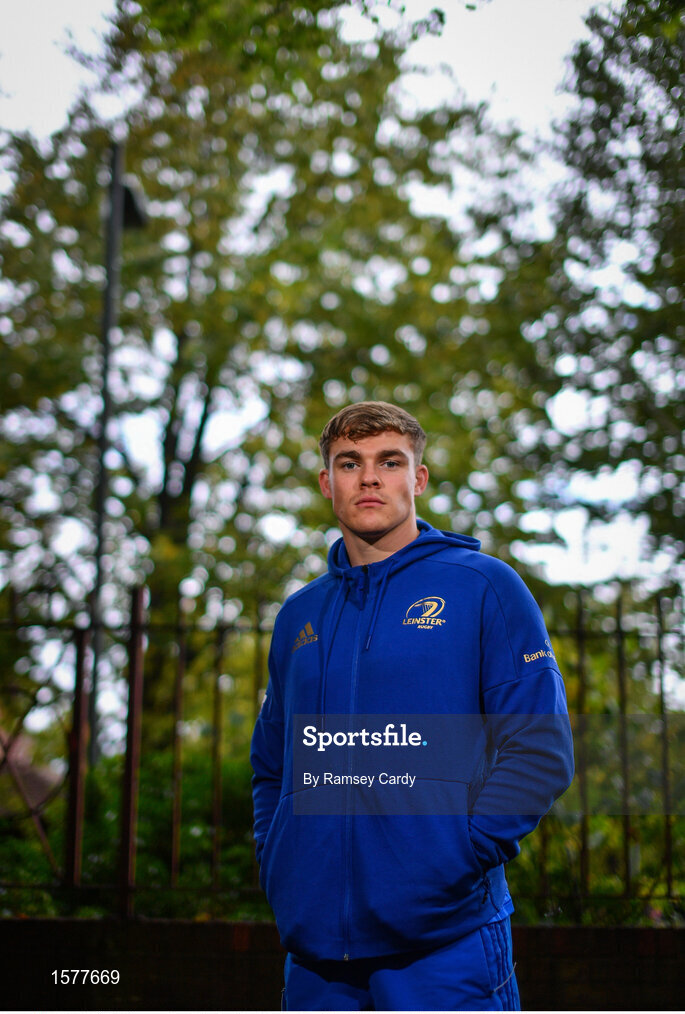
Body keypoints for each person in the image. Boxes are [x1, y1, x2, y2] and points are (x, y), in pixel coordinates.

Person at [251, 401, 574, 1011]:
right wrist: (279, 861)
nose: (369, 478)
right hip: (315, 957)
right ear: (327, 482)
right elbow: (272, 766)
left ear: (418, 478)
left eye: (390, 462)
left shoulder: (484, 586)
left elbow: (540, 747)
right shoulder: (298, 616)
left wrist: (460, 853)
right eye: (350, 463)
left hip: (446, 945)